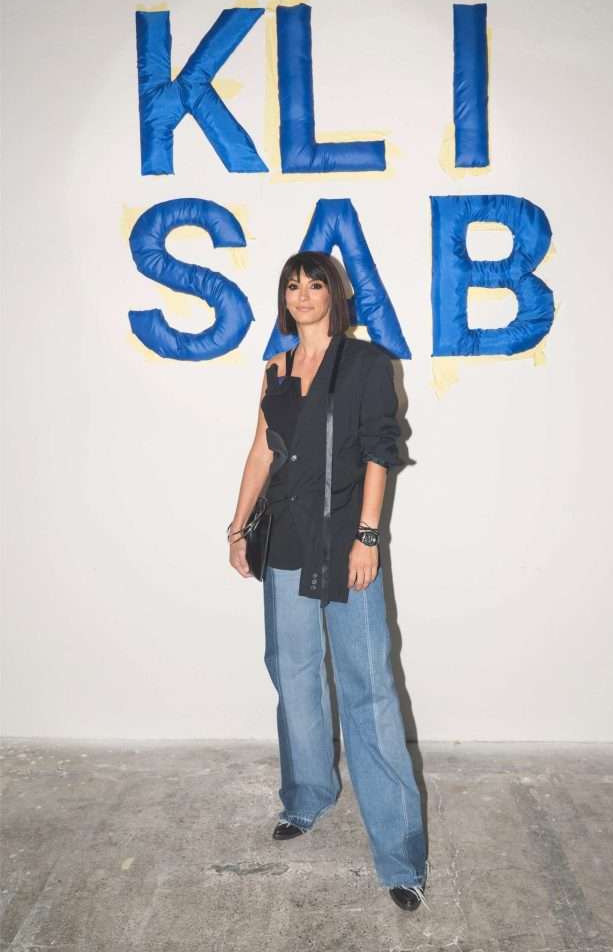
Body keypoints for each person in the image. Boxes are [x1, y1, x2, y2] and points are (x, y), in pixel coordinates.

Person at [227, 251, 429, 911]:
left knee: (368, 690)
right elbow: (262, 449)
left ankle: (400, 857)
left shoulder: (367, 364)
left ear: (334, 295)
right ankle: (307, 795)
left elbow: (379, 452)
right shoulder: (276, 369)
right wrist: (236, 528)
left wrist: (367, 537)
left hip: (345, 544)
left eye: (315, 284)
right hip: (285, 539)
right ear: (283, 298)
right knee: (293, 675)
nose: (303, 294)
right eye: (293, 285)